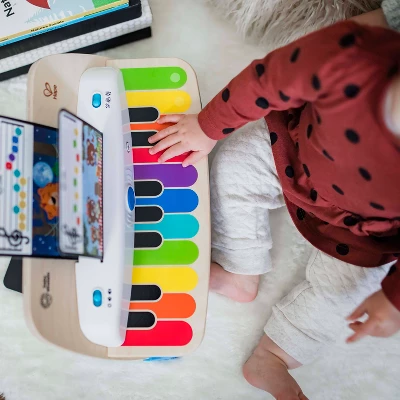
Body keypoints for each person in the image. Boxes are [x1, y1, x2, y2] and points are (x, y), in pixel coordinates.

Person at [148, 6, 400, 400]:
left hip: (364, 234)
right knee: (233, 163)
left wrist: (394, 300)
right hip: (295, 156)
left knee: (342, 296)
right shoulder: (352, 52)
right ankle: (239, 271)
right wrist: (206, 127)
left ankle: (272, 356)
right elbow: (265, 80)